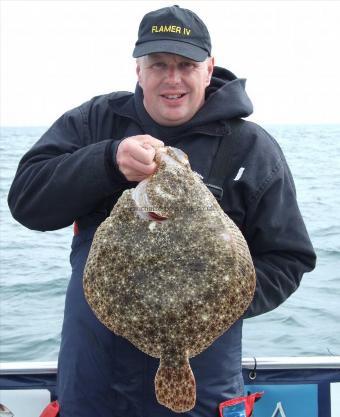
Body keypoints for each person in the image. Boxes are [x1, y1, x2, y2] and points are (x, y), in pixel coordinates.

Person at [8, 5, 316, 417]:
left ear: (209, 68)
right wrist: (107, 161)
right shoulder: (93, 123)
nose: (173, 78)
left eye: (186, 64)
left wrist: (215, 300)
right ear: (139, 70)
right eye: (158, 64)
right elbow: (27, 201)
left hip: (204, 382)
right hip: (94, 378)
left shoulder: (251, 149)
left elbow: (289, 257)